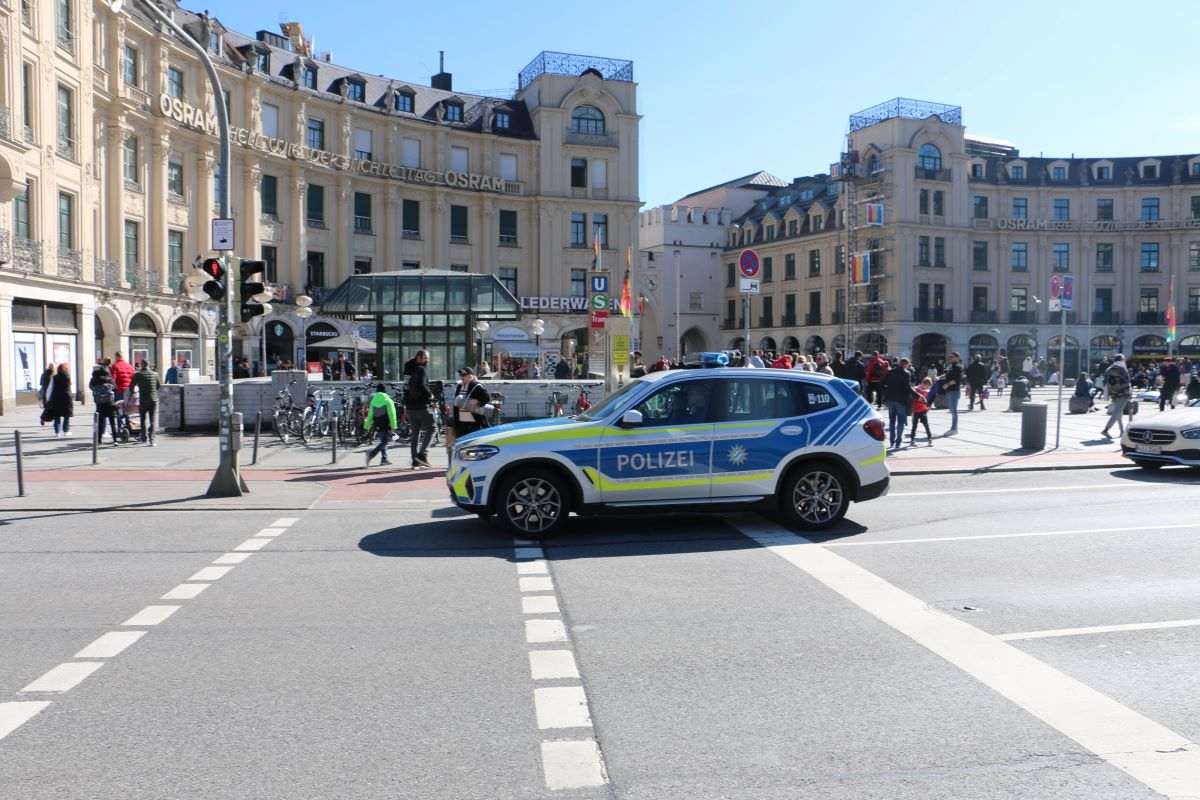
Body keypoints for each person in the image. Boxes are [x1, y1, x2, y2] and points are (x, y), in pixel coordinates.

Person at [402, 350, 434, 469]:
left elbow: (405, 386)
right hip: (421, 405)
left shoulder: (407, 369)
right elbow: (423, 386)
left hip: (410, 406)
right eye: (426, 358)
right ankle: (422, 455)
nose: (427, 360)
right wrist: (430, 395)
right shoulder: (421, 369)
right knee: (432, 428)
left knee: (415, 433)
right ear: (419, 358)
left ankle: (414, 461)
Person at [882, 357, 914, 450]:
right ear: (906, 364)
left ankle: (892, 441)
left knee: (892, 421)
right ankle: (898, 441)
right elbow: (908, 387)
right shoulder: (906, 373)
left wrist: (886, 393)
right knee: (900, 421)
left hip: (890, 399)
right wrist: (917, 394)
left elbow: (883, 383)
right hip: (901, 400)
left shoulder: (891, 371)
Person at [363, 383, 398, 466]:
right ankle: (371, 453)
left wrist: (367, 426)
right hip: (386, 423)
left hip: (377, 423)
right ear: (385, 391)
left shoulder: (373, 401)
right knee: (385, 442)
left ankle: (384, 459)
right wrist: (394, 426)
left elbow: (370, 414)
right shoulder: (388, 400)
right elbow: (392, 414)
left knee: (383, 440)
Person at [1101, 354, 1133, 439]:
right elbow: (1127, 383)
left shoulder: (1109, 369)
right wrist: (1129, 394)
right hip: (1123, 394)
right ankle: (1106, 429)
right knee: (1117, 412)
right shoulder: (1123, 369)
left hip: (1114, 394)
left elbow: (1105, 382)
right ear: (1122, 360)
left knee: (1119, 412)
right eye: (1124, 359)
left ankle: (1122, 431)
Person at [130, 360, 161, 445]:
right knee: (153, 419)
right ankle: (152, 439)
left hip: (143, 400)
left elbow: (131, 386)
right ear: (148, 365)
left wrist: (133, 393)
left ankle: (144, 438)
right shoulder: (155, 374)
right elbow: (158, 386)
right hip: (153, 399)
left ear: (142, 365)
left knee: (143, 419)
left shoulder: (138, 374)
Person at [89, 364, 119, 445]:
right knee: (112, 422)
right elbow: (115, 388)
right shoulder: (109, 378)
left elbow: (90, 387)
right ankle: (115, 440)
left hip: (99, 403)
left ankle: (99, 440)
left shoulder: (94, 379)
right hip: (109, 403)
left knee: (100, 422)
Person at [45, 364, 74, 438]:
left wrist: (48, 399)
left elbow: (50, 389)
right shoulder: (68, 377)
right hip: (66, 398)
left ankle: (57, 432)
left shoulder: (54, 377)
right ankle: (66, 431)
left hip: (56, 398)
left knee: (57, 416)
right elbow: (70, 388)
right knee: (66, 415)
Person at [941, 351, 964, 435]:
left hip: (954, 390)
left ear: (957, 358)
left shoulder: (958, 367)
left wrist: (947, 385)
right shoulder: (951, 366)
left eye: (952, 357)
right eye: (949, 357)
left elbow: (957, 380)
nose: (950, 358)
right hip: (950, 391)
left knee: (953, 410)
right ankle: (953, 428)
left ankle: (954, 428)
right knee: (951, 410)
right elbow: (946, 375)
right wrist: (939, 377)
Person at [909, 377, 934, 445]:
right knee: (914, 426)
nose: (927, 387)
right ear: (923, 383)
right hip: (916, 410)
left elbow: (929, 400)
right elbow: (913, 397)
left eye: (928, 386)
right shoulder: (916, 389)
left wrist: (928, 406)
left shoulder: (927, 391)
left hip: (923, 410)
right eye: (927, 386)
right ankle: (912, 439)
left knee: (926, 425)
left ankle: (929, 439)